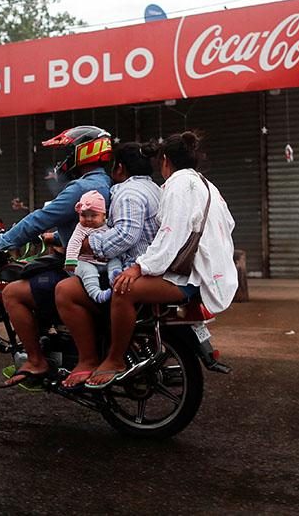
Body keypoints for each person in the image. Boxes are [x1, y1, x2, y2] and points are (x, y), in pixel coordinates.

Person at [84, 131, 238, 390]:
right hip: (210, 273)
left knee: (122, 289)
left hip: (193, 276)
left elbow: (170, 236)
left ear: (165, 160)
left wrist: (139, 267)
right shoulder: (205, 184)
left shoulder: (178, 185)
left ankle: (114, 359)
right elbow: (229, 225)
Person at [0, 125, 112, 388]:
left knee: (12, 293)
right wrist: (55, 238)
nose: (63, 160)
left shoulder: (80, 188)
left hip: (87, 268)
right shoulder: (105, 183)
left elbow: (37, 220)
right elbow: (88, 226)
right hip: (101, 262)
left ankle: (36, 361)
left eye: (68, 151)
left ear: (82, 153)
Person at [55, 141, 162, 389]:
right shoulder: (153, 188)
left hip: (132, 266)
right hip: (145, 264)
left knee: (64, 291)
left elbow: (125, 235)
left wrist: (89, 245)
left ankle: (88, 359)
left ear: (119, 168)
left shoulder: (128, 193)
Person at [64, 190, 122, 304]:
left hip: (104, 261)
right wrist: (71, 260)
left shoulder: (109, 225)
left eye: (94, 215)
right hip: (85, 261)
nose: (88, 219)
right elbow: (74, 242)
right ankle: (97, 294)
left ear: (103, 215)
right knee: (88, 272)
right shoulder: (81, 228)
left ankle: (114, 278)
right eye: (83, 215)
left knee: (115, 261)